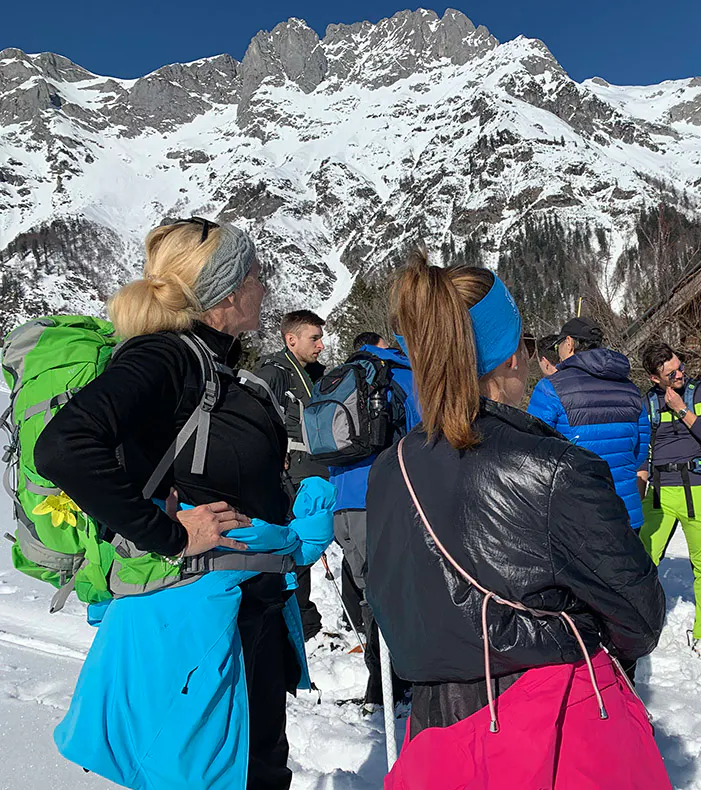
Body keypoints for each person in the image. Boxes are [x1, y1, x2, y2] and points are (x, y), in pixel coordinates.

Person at [365, 254, 669, 789]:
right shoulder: (555, 467)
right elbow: (640, 616)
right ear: (510, 356)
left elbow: (394, 609)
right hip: (549, 727)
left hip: (436, 733)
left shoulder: (391, 469)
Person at [35, 217, 304, 789]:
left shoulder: (211, 362)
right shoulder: (167, 358)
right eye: (255, 272)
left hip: (240, 613)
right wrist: (170, 535)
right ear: (228, 292)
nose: (265, 281)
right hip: (192, 619)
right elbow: (62, 447)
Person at [327, 330, 420, 708]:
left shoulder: (342, 376)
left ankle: (383, 681)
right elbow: (423, 435)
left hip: (343, 505)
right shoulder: (401, 375)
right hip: (380, 499)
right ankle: (388, 685)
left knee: (370, 594)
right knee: (391, 593)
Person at [638, 342, 701, 658]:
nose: (679, 374)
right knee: (644, 562)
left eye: (680, 366)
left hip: (697, 490)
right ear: (653, 378)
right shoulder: (645, 403)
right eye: (670, 373)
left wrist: (682, 410)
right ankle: (639, 626)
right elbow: (638, 447)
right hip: (659, 492)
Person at [527, 317, 650, 531]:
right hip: (625, 512)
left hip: (576, 514)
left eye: (559, 346)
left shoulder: (550, 388)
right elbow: (639, 450)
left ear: (569, 343)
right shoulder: (630, 388)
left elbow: (532, 451)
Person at [257, 308, 328, 640]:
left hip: (310, 472)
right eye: (314, 338)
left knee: (307, 544)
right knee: (295, 546)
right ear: (291, 339)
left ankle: (301, 619)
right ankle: (294, 618)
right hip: (290, 476)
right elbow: (256, 417)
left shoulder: (312, 373)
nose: (321, 346)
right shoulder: (274, 372)